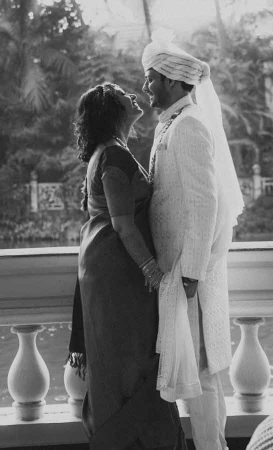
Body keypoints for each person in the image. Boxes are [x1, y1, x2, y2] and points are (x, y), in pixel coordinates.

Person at [67, 82, 187, 450]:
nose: (134, 96)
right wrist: (152, 270)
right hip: (120, 271)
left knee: (122, 360)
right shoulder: (114, 156)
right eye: (123, 94)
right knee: (134, 361)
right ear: (110, 109)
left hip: (104, 266)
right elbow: (121, 223)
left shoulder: (107, 152)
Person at [141, 34, 244, 450]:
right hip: (177, 273)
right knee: (197, 375)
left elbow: (206, 203)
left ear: (169, 80)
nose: (146, 88)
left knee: (201, 375)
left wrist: (191, 273)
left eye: (150, 79)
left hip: (189, 275)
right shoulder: (171, 123)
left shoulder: (189, 126)